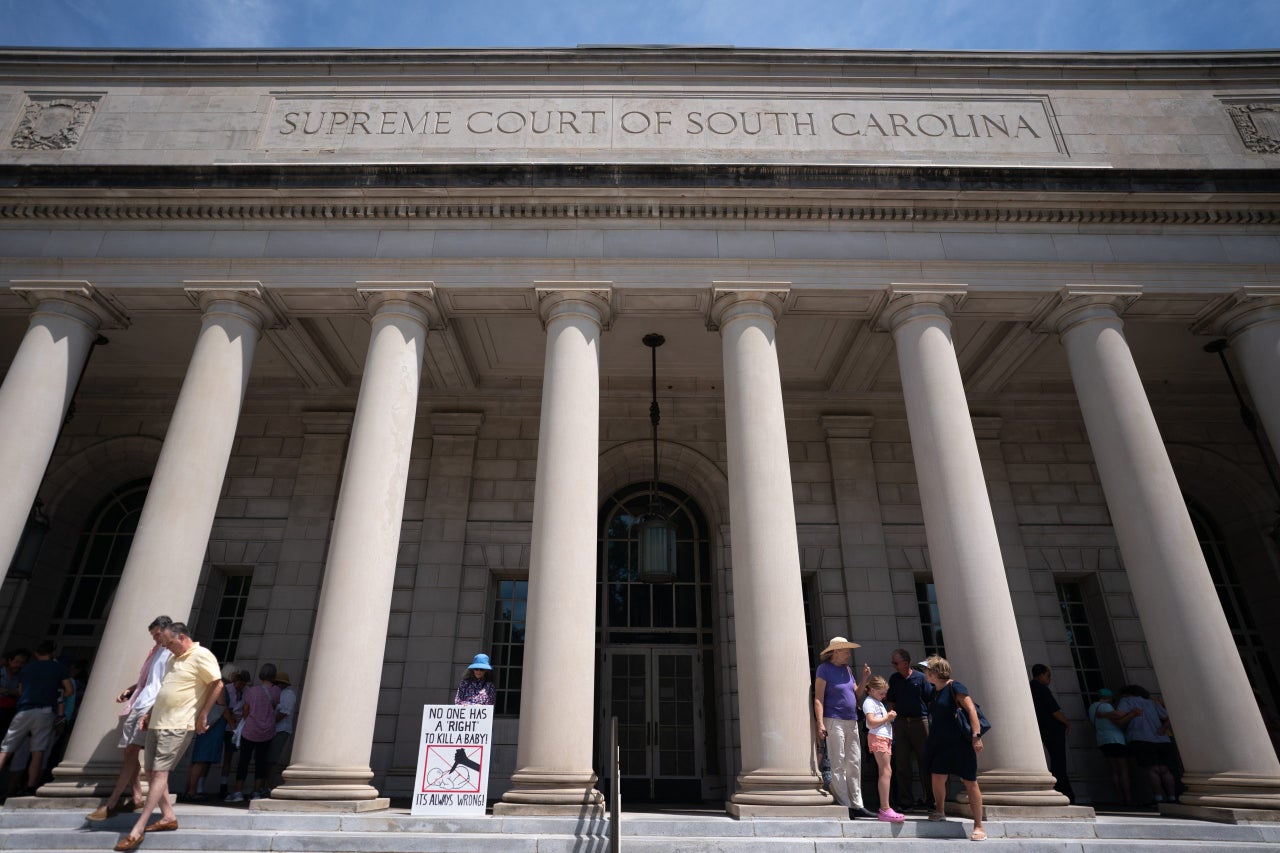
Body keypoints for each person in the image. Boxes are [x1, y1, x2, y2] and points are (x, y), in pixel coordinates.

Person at [114, 622, 222, 853]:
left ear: (182, 637)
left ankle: (137, 829)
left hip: (178, 725)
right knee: (151, 773)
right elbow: (166, 689)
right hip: (157, 722)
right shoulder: (173, 659)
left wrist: (203, 714)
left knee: (160, 774)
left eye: (170, 643)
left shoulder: (202, 655)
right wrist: (150, 713)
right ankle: (168, 817)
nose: (168, 649)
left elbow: (217, 683)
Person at [87, 615, 174, 822]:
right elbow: (151, 679)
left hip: (153, 706)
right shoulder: (156, 651)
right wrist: (131, 689)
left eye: (157, 635)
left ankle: (112, 803)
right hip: (141, 702)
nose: (155, 639)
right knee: (131, 752)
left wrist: (153, 708)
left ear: (167, 630)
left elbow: (169, 682)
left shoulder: (174, 652)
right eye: (153, 636)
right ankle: (137, 796)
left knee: (144, 758)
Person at [922, 655, 986, 842]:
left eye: (927, 670)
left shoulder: (955, 686)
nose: (925, 673)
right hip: (940, 743)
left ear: (934, 673)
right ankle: (940, 810)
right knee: (937, 776)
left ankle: (978, 826)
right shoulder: (935, 691)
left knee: (970, 782)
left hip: (960, 743)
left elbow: (971, 710)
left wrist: (976, 736)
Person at [0, 640, 73, 796]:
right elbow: (69, 690)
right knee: (38, 750)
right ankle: (31, 786)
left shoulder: (26, 669)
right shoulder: (59, 668)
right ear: (52, 653)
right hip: (45, 711)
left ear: (36, 654)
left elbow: (20, 691)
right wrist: (56, 696)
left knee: (6, 748)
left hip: (24, 710)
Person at [813, 636, 874, 819]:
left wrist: (864, 678)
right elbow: (818, 698)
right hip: (833, 719)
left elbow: (856, 695)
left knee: (854, 762)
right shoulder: (824, 669)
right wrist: (820, 723)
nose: (849, 653)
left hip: (851, 720)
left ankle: (857, 803)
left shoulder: (847, 669)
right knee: (838, 762)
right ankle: (845, 804)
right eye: (846, 650)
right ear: (836, 651)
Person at [885, 648, 933, 812]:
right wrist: (892, 721)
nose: (893, 665)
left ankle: (930, 799)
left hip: (920, 722)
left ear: (906, 663)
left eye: (896, 662)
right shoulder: (894, 679)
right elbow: (891, 700)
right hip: (901, 723)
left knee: (925, 762)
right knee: (902, 763)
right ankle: (906, 801)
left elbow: (929, 699)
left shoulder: (920, 678)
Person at [225, 664, 280, 803]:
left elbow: (245, 710)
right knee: (261, 762)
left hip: (250, 730)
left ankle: (238, 791)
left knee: (244, 760)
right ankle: (256, 791)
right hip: (267, 731)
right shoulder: (276, 691)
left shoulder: (252, 691)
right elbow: (275, 707)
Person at [1114, 684, 1176, 805]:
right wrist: (1163, 729)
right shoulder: (1152, 702)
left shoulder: (1126, 700)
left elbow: (1119, 715)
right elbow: (1168, 717)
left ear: (1126, 693)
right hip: (1162, 740)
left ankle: (1158, 797)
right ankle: (1172, 797)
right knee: (1165, 770)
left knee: (1151, 769)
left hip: (1141, 738)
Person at [181, 663, 235, 802]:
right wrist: (233, 725)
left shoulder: (210, 684)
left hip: (207, 725)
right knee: (201, 760)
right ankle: (192, 790)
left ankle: (189, 789)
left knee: (198, 759)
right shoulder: (220, 685)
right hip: (213, 727)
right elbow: (222, 707)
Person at [862, 675, 905, 823]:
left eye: (885, 693)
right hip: (878, 736)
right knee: (885, 771)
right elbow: (871, 722)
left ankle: (885, 807)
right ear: (872, 690)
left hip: (883, 737)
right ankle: (885, 808)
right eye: (881, 693)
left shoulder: (876, 702)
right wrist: (887, 718)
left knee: (886, 771)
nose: (884, 695)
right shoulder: (869, 702)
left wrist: (888, 717)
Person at [1029, 664, 1074, 803]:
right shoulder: (1041, 689)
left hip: (1042, 728)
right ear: (1041, 674)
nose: (1049, 679)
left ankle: (1062, 790)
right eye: (1048, 676)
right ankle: (1065, 792)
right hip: (1052, 729)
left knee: (1056, 761)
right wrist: (1066, 722)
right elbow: (1054, 711)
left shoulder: (1031, 687)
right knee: (1059, 762)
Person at [1087, 688, 1131, 805]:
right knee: (1123, 770)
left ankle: (1121, 797)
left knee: (1114, 771)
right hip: (1115, 739)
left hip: (1102, 740)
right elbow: (1118, 716)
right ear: (1109, 698)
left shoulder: (1092, 707)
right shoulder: (1106, 706)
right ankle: (1128, 798)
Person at [219, 669, 249, 797]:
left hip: (236, 728)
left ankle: (223, 786)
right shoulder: (227, 689)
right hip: (224, 725)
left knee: (229, 757)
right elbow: (224, 706)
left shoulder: (247, 692)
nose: (241, 686)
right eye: (239, 683)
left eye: (243, 684)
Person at [267, 671, 297, 789]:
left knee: (273, 759)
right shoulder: (274, 693)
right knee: (267, 759)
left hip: (280, 730)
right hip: (270, 729)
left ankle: (269, 785)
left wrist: (267, 723)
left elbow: (283, 713)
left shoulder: (288, 694)